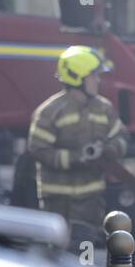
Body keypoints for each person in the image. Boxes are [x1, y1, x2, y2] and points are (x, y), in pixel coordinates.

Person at [27, 45, 128, 253]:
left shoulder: (104, 108)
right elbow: (38, 150)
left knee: (85, 259)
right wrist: (76, 157)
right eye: (93, 76)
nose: (97, 80)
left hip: (91, 204)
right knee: (58, 258)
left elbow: (122, 137)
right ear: (76, 77)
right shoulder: (50, 112)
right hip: (58, 204)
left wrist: (110, 150)